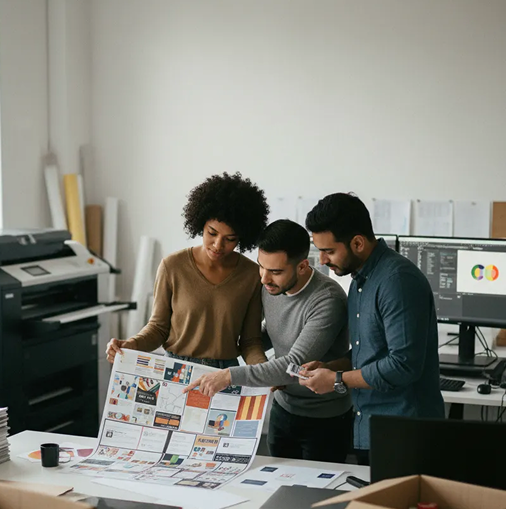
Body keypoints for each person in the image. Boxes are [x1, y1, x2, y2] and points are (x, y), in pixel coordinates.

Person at [185, 220, 352, 463]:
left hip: (324, 419)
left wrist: (228, 376)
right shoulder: (269, 286)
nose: (264, 279)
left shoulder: (328, 300)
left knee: (312, 496)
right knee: (276, 489)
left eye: (275, 271)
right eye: (262, 267)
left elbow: (293, 364)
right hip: (283, 410)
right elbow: (264, 335)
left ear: (303, 266)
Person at [301, 193, 445, 465]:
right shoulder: (360, 279)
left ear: (357, 242)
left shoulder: (396, 280)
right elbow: (371, 350)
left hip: (405, 433)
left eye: (329, 251)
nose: (321, 260)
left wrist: (337, 380)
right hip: (373, 428)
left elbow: (403, 365)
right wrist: (332, 366)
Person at [106, 171, 269, 369]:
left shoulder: (252, 275)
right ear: (201, 224)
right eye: (212, 233)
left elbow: (250, 342)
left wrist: (266, 372)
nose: (218, 245)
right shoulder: (172, 266)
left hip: (225, 374)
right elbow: (158, 328)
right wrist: (131, 345)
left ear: (242, 237)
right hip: (175, 370)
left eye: (230, 239)